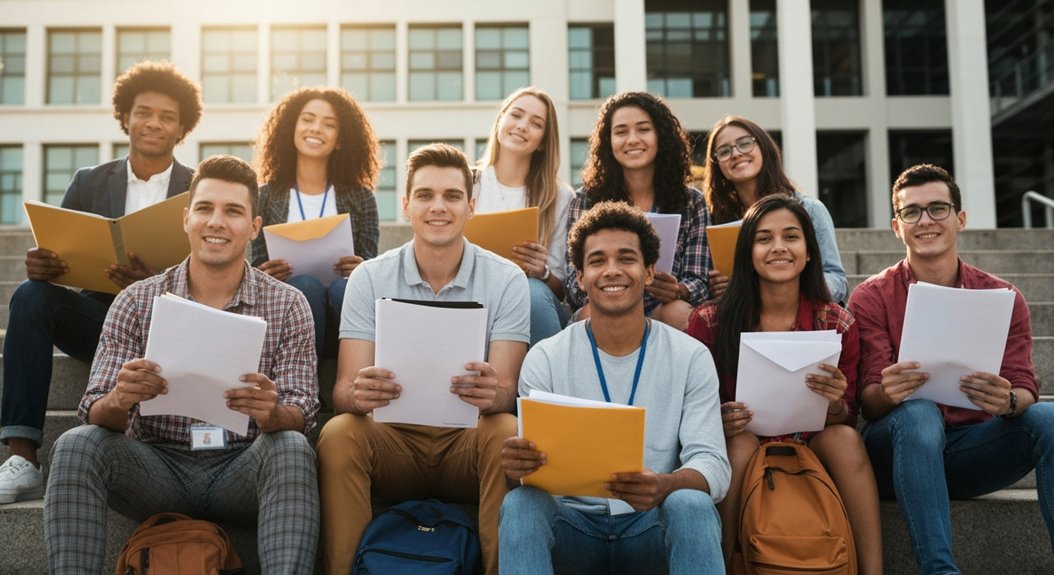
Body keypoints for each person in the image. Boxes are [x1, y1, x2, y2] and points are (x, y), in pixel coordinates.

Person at [43, 155, 321, 574]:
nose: (217, 222)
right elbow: (94, 408)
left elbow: (304, 412)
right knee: (75, 444)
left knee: (292, 447)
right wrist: (120, 398)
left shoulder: (289, 304)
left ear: (254, 226)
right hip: (155, 467)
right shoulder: (136, 300)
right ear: (186, 217)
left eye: (233, 211)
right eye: (205, 209)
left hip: (241, 468)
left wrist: (274, 413)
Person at [315, 143, 530, 575]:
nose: (439, 207)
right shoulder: (369, 277)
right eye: (426, 195)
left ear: (471, 206)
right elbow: (341, 392)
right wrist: (360, 394)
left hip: (466, 443)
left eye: (452, 196)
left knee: (506, 428)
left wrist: (494, 394)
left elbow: (507, 393)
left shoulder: (506, 279)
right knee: (338, 432)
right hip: (392, 440)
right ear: (407, 203)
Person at [0, 61, 201, 504]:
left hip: (168, 325)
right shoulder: (88, 182)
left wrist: (154, 283)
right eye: (143, 112)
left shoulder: (197, 188)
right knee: (31, 296)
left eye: (167, 116)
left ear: (182, 126)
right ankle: (23, 457)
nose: (153, 123)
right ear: (125, 117)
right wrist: (44, 266)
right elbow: (64, 254)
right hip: (97, 321)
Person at [500, 200, 729, 575]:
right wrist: (517, 468)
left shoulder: (691, 355)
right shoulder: (545, 357)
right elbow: (532, 473)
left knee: (691, 504)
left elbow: (713, 465)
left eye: (626, 258)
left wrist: (665, 484)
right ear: (579, 275)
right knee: (521, 504)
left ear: (649, 270)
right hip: (573, 528)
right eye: (597, 261)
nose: (612, 271)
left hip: (649, 526)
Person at [848, 163, 1054, 574]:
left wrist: (1009, 400)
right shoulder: (870, 297)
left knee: (1048, 417)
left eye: (938, 209)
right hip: (896, 454)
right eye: (912, 212)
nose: (925, 221)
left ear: (960, 219)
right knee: (919, 413)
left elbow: (1025, 385)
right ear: (896, 226)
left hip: (970, 451)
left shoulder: (1002, 296)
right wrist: (887, 393)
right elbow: (867, 405)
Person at [688, 194, 882, 574]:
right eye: (764, 239)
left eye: (791, 237)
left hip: (811, 440)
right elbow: (693, 411)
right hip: (739, 442)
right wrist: (718, 419)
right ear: (747, 253)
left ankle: (872, 570)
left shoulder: (837, 323)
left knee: (846, 440)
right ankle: (722, 565)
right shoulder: (708, 321)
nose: (779, 247)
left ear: (809, 252)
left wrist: (836, 404)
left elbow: (846, 417)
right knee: (739, 443)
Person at [565, 91, 711, 331]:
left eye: (643, 129)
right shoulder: (585, 199)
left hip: (664, 308)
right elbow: (574, 278)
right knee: (589, 313)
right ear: (608, 141)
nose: (632, 139)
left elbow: (700, 281)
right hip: (606, 301)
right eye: (621, 132)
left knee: (680, 312)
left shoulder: (692, 202)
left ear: (660, 136)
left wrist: (679, 289)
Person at [252, 86, 380, 358]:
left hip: (344, 306)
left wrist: (362, 268)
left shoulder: (361, 198)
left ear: (341, 138)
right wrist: (265, 273)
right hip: (286, 309)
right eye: (308, 119)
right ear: (291, 127)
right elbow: (255, 268)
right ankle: (308, 380)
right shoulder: (265, 196)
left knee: (343, 287)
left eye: (329, 124)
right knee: (305, 286)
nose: (316, 128)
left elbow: (372, 267)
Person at [701, 115, 847, 302]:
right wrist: (719, 288)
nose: (736, 154)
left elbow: (837, 280)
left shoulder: (810, 209)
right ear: (717, 165)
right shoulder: (716, 220)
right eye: (724, 151)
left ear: (764, 148)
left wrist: (786, 290)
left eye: (744, 144)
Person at [474, 87, 575, 345]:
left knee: (530, 292)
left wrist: (542, 271)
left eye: (536, 123)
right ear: (500, 120)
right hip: (473, 290)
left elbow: (564, 288)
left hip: (529, 297)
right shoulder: (468, 182)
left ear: (543, 141)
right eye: (516, 115)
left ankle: (547, 382)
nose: (522, 126)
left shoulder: (560, 196)